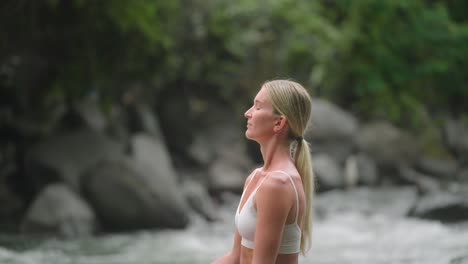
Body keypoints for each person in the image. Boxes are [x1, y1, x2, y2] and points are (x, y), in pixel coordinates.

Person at [212, 80, 315, 264]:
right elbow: (235, 258)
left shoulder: (277, 184)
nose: (247, 113)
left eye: (257, 107)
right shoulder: (256, 177)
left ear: (279, 122)